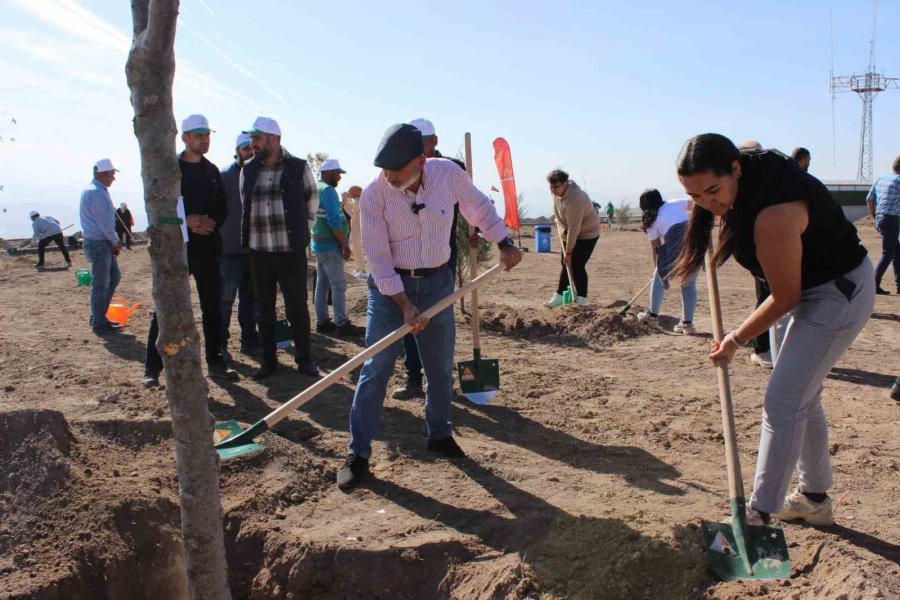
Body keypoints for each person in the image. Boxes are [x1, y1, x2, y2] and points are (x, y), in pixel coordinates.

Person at [673, 133, 874, 527]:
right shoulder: (741, 168)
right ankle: (814, 500)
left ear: (735, 170)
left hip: (837, 293)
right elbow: (747, 144)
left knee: (783, 402)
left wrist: (734, 339)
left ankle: (758, 515)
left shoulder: (775, 215)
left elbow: (784, 296)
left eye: (713, 191)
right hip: (805, 288)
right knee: (802, 396)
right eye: (695, 196)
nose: (708, 204)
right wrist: (710, 207)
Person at [337, 123, 522, 490]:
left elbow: (479, 209)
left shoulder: (447, 175)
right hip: (392, 292)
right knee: (376, 368)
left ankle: (440, 434)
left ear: (421, 161)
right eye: (385, 169)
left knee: (439, 367)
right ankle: (358, 453)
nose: (388, 176)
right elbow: (378, 259)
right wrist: (404, 304)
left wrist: (503, 242)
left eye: (396, 170)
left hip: (438, 284)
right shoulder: (376, 195)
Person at [143, 114, 238, 387]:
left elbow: (221, 208)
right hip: (176, 251)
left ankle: (217, 362)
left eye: (207, 135)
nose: (204, 139)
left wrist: (209, 222)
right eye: (198, 135)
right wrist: (186, 221)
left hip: (208, 249)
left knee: (213, 308)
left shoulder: (211, 172)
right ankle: (152, 368)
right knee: (166, 307)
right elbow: (159, 207)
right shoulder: (169, 169)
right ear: (185, 137)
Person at [390, 118, 467, 401]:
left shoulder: (451, 169)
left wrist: (474, 230)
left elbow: (470, 201)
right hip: (407, 261)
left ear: (433, 142)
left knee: (440, 321)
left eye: (420, 142)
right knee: (410, 320)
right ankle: (413, 377)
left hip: (442, 258)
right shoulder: (400, 169)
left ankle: (440, 380)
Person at [240, 116, 319, 381]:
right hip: (259, 252)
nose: (253, 143)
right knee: (264, 308)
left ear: (274, 139)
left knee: (297, 306)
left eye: (257, 138)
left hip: (290, 251)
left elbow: (312, 201)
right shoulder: (248, 170)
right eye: (252, 138)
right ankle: (269, 361)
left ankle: (305, 359)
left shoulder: (298, 167)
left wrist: (301, 232)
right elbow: (245, 205)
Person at [218, 133, 259, 359]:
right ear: (237, 150)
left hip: (252, 250)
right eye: (245, 148)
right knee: (225, 299)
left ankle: (249, 340)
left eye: (252, 147)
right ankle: (220, 345)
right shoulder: (225, 176)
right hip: (229, 250)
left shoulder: (259, 174)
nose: (250, 151)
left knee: (250, 299)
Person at [635, 189, 697, 334]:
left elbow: (656, 248)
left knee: (657, 279)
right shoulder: (675, 203)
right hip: (695, 242)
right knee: (688, 284)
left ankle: (652, 316)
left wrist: (657, 268)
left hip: (677, 245)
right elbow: (697, 205)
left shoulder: (651, 220)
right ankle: (687, 324)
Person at [312, 158, 357, 337]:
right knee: (338, 285)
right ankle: (341, 323)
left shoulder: (317, 188)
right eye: (337, 173)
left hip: (319, 244)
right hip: (330, 246)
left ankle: (322, 322)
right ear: (329, 172)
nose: (339, 177)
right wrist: (344, 244)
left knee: (322, 285)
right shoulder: (329, 191)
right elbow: (333, 220)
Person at [543, 169, 600, 307]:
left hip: (587, 233)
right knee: (565, 263)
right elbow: (558, 212)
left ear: (565, 184)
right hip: (568, 231)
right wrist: (561, 227)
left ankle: (582, 299)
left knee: (576, 264)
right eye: (551, 187)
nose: (553, 190)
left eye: (556, 187)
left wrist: (569, 252)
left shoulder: (575, 198)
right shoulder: (556, 194)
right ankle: (560, 295)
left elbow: (575, 228)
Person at [79, 159, 123, 333]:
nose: (113, 177)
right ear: (102, 174)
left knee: (113, 278)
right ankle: (99, 321)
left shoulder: (96, 190)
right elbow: (104, 223)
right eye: (111, 173)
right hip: (99, 243)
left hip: (100, 242)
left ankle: (98, 315)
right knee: (102, 283)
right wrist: (115, 241)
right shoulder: (95, 193)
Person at [866, 155, 900, 295]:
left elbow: (869, 199)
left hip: (880, 218)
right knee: (888, 253)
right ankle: (873, 284)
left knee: (897, 251)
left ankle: (899, 284)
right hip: (892, 219)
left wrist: (875, 217)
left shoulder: (881, 178)